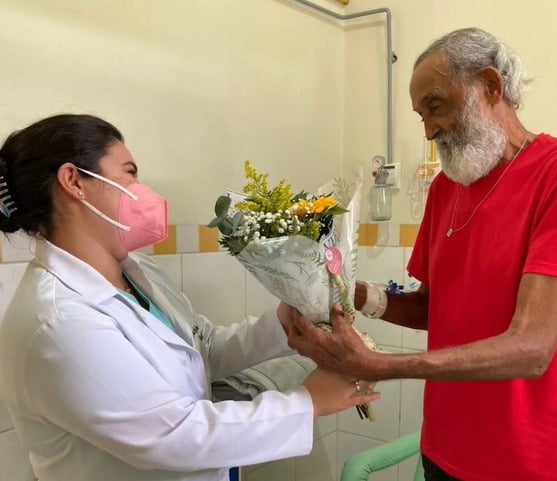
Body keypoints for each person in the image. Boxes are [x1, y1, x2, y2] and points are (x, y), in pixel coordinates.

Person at [0, 113, 379, 481]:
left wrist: (286, 321)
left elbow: (201, 347)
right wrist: (308, 401)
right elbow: (171, 434)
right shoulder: (58, 321)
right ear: (73, 181)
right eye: (129, 173)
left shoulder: (137, 271)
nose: (141, 190)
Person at [283, 27, 557, 481]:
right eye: (421, 116)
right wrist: (346, 292)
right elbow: (432, 308)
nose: (429, 130)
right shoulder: (447, 188)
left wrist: (380, 366)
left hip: (526, 464)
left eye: (436, 106)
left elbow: (533, 348)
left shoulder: (549, 176)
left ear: (490, 86)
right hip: (442, 451)